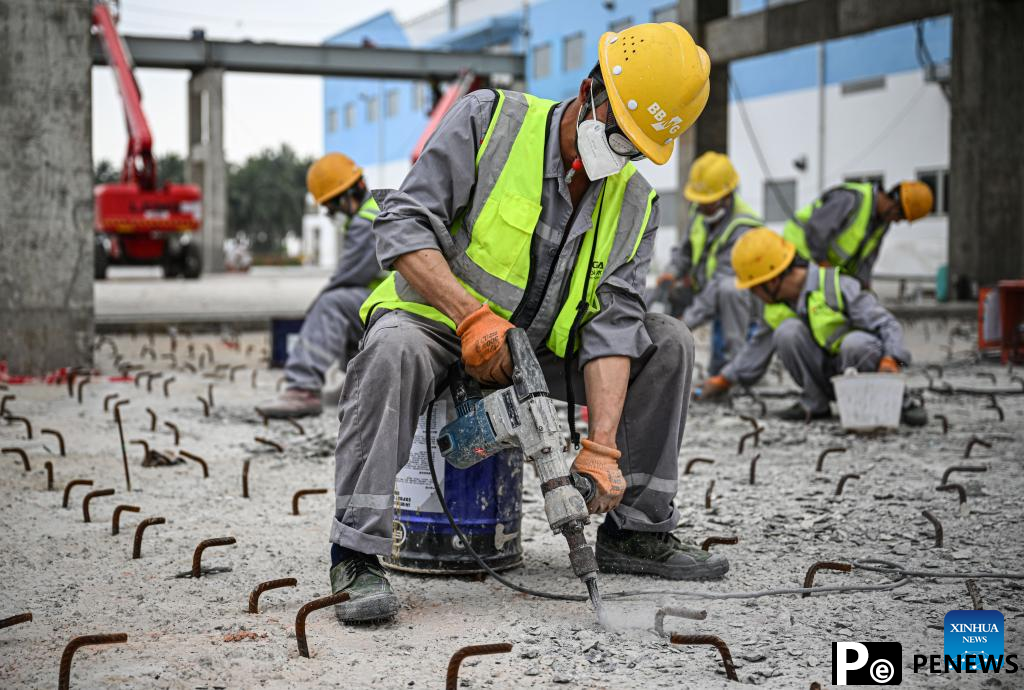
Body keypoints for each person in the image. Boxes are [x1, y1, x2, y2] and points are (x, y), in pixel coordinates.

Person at [327, 23, 726, 624]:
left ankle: (636, 533)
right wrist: (470, 317)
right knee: (391, 351)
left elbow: (615, 322)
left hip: (538, 351)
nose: (619, 154)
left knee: (666, 340)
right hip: (438, 323)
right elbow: (403, 223)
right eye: (619, 134)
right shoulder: (490, 122)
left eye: (636, 149)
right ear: (591, 90)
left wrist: (600, 448)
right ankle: (355, 554)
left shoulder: (635, 202)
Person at [694, 228, 927, 426]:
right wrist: (724, 379)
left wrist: (892, 359)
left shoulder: (836, 285)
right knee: (787, 332)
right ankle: (814, 405)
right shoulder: (777, 308)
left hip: (861, 370)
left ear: (772, 281)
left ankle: (894, 404)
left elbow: (887, 324)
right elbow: (756, 349)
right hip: (828, 378)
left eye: (755, 287)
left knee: (855, 344)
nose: (754, 294)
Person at [256, 153, 385, 418]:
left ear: (349, 193)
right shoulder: (373, 212)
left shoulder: (366, 222)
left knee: (332, 305)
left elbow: (349, 277)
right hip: (390, 300)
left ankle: (302, 388)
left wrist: (317, 306)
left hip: (393, 303)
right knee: (347, 307)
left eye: (331, 207)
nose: (331, 214)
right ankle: (360, 384)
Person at [659, 152, 762, 374]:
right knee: (664, 293)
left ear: (726, 196)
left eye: (708, 203)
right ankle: (661, 356)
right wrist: (671, 273)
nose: (702, 207)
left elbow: (719, 283)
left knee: (729, 290)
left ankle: (737, 370)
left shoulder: (743, 227)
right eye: (699, 202)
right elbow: (685, 251)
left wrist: (685, 323)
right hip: (706, 288)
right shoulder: (701, 214)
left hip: (743, 301)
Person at [783, 179, 933, 288]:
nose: (897, 222)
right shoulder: (851, 199)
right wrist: (826, 269)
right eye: (900, 217)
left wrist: (863, 288)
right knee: (805, 306)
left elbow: (865, 261)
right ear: (894, 205)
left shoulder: (881, 224)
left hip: (820, 265)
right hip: (796, 252)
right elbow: (816, 231)